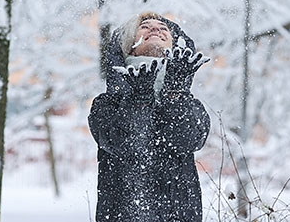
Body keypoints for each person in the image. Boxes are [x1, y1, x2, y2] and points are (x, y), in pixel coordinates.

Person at [88, 11, 211, 222]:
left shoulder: (191, 104)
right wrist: (139, 100)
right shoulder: (106, 104)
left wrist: (175, 92)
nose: (156, 29)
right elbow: (127, 146)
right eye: (145, 27)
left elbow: (184, 141)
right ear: (128, 44)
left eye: (164, 29)